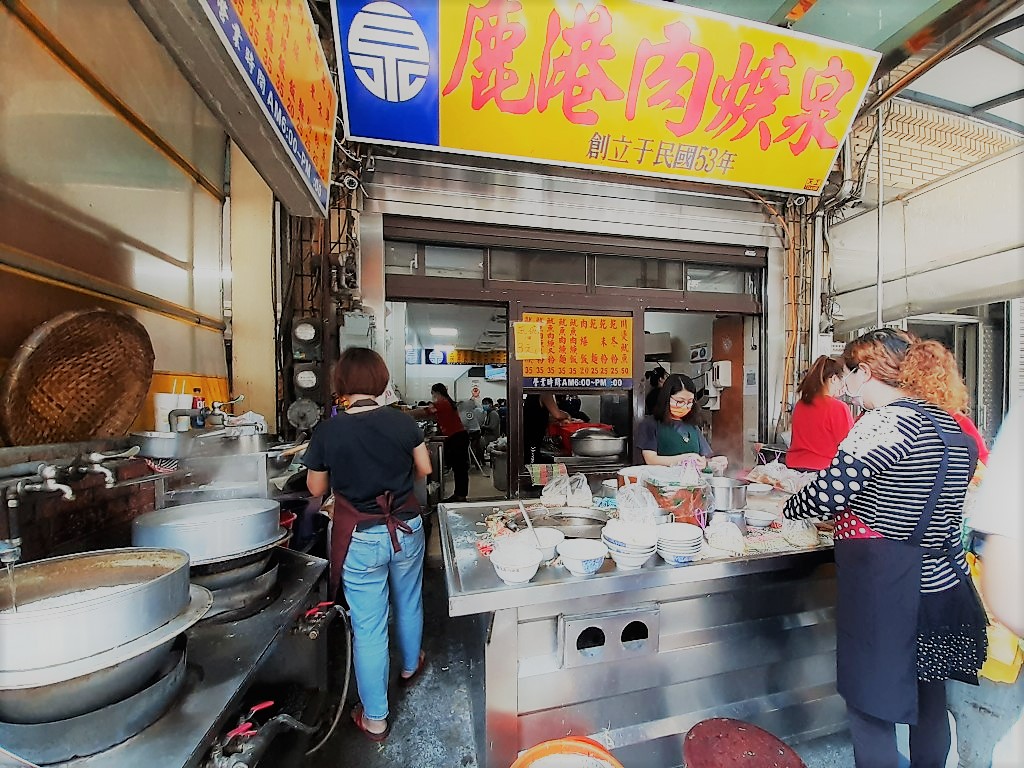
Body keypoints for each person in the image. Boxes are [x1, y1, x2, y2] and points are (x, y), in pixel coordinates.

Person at [783, 328, 987, 768]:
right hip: (941, 582)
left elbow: (827, 495)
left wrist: (791, 506)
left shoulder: (883, 423)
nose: (846, 385)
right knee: (929, 698)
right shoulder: (952, 426)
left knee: (870, 703)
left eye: (848, 373)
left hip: (887, 587)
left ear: (865, 371)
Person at [302, 347, 432, 742]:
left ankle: (375, 718)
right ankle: (410, 665)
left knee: (369, 626)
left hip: (359, 536)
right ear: (380, 380)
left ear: (341, 383)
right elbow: (425, 469)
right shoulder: (402, 422)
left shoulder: (328, 430)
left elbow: (315, 488)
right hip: (405, 527)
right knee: (408, 599)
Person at [785, 355, 854, 472]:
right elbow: (850, 445)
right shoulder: (838, 407)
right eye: (842, 380)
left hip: (793, 467)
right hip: (823, 470)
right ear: (834, 379)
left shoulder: (801, 404)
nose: (844, 386)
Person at [637, 374, 712, 467]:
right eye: (680, 401)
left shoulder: (693, 426)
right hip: (662, 476)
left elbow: (704, 458)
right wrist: (685, 459)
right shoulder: (650, 424)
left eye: (689, 402)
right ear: (667, 398)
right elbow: (651, 459)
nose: (685, 406)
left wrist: (712, 463)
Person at [411, 384, 469, 503]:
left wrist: (404, 413)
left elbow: (424, 412)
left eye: (433, 394)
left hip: (457, 438)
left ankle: (460, 496)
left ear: (436, 393)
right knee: (459, 468)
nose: (433, 397)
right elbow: (433, 417)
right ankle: (459, 494)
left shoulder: (443, 403)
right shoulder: (447, 402)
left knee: (460, 468)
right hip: (458, 437)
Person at [522, 393, 571, 464]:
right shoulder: (545, 393)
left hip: (531, 438)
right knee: (531, 465)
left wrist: (558, 421)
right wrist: (567, 415)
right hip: (532, 439)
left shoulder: (533, 395)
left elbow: (539, 415)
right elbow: (557, 414)